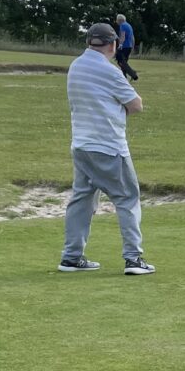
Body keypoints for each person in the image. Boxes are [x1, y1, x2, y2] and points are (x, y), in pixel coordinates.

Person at [59, 22, 155, 275]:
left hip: (81, 145)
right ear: (113, 44)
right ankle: (133, 259)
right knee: (127, 198)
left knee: (82, 199)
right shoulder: (109, 71)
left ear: (89, 42)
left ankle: (71, 257)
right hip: (109, 146)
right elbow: (136, 105)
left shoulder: (76, 66)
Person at [115, 14, 138, 81]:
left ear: (119, 20)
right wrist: (132, 46)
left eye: (117, 20)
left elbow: (122, 36)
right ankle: (124, 77)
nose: (116, 21)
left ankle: (133, 74)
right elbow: (133, 37)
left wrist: (120, 45)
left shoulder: (123, 25)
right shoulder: (129, 25)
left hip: (124, 46)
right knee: (124, 62)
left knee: (120, 61)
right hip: (129, 46)